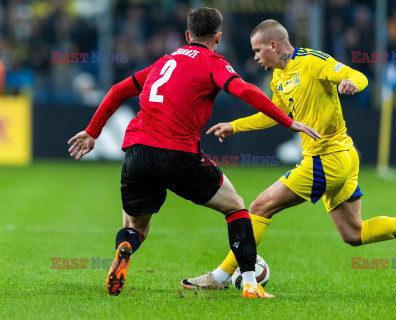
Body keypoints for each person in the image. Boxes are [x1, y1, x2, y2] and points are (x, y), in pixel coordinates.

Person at [182, 19, 396, 290]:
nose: (255, 57)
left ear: (274, 45)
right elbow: (275, 115)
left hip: (328, 159)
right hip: (342, 159)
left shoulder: (313, 62)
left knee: (259, 207)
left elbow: (358, 76)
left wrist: (352, 83)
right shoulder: (279, 76)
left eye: (257, 50)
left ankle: (218, 278)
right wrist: (235, 126)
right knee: (354, 233)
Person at [68, 9, 320, 299]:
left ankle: (125, 248)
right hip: (179, 155)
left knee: (135, 227)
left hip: (138, 152)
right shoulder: (213, 62)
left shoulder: (164, 61)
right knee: (236, 207)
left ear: (187, 35)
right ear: (218, 37)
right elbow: (245, 91)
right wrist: (288, 120)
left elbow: (116, 90)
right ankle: (250, 282)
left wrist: (92, 132)